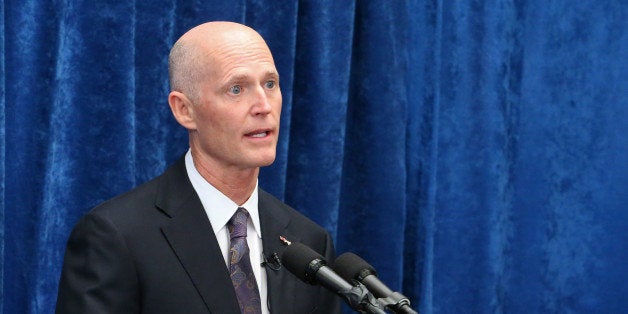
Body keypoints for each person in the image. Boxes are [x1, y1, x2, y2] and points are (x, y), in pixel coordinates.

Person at [56, 21, 341, 314]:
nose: (263, 105)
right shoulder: (116, 237)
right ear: (184, 110)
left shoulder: (308, 243)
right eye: (236, 88)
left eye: (270, 84)